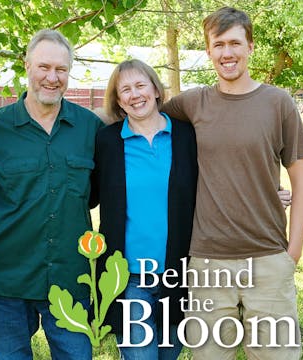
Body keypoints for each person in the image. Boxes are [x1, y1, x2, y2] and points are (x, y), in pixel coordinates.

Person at [161, 7, 303, 359]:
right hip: (208, 262)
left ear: (250, 47)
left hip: (268, 257)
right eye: (218, 45)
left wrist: (293, 252)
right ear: (209, 50)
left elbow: (302, 182)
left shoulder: (279, 103)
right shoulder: (193, 102)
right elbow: (141, 114)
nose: (226, 53)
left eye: (234, 43)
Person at [0, 29, 104, 359]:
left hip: (70, 279)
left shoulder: (91, 129)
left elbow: (98, 193)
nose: (52, 77)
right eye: (44, 67)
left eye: (61, 70)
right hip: (8, 281)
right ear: (27, 66)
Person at [90, 59, 197, 359]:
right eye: (126, 89)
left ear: (155, 89)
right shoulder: (107, 141)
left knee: (170, 354)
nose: (135, 94)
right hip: (129, 277)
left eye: (140, 85)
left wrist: (268, 193)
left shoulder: (186, 136)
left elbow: (215, 182)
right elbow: (85, 193)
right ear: (118, 99)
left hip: (177, 273)